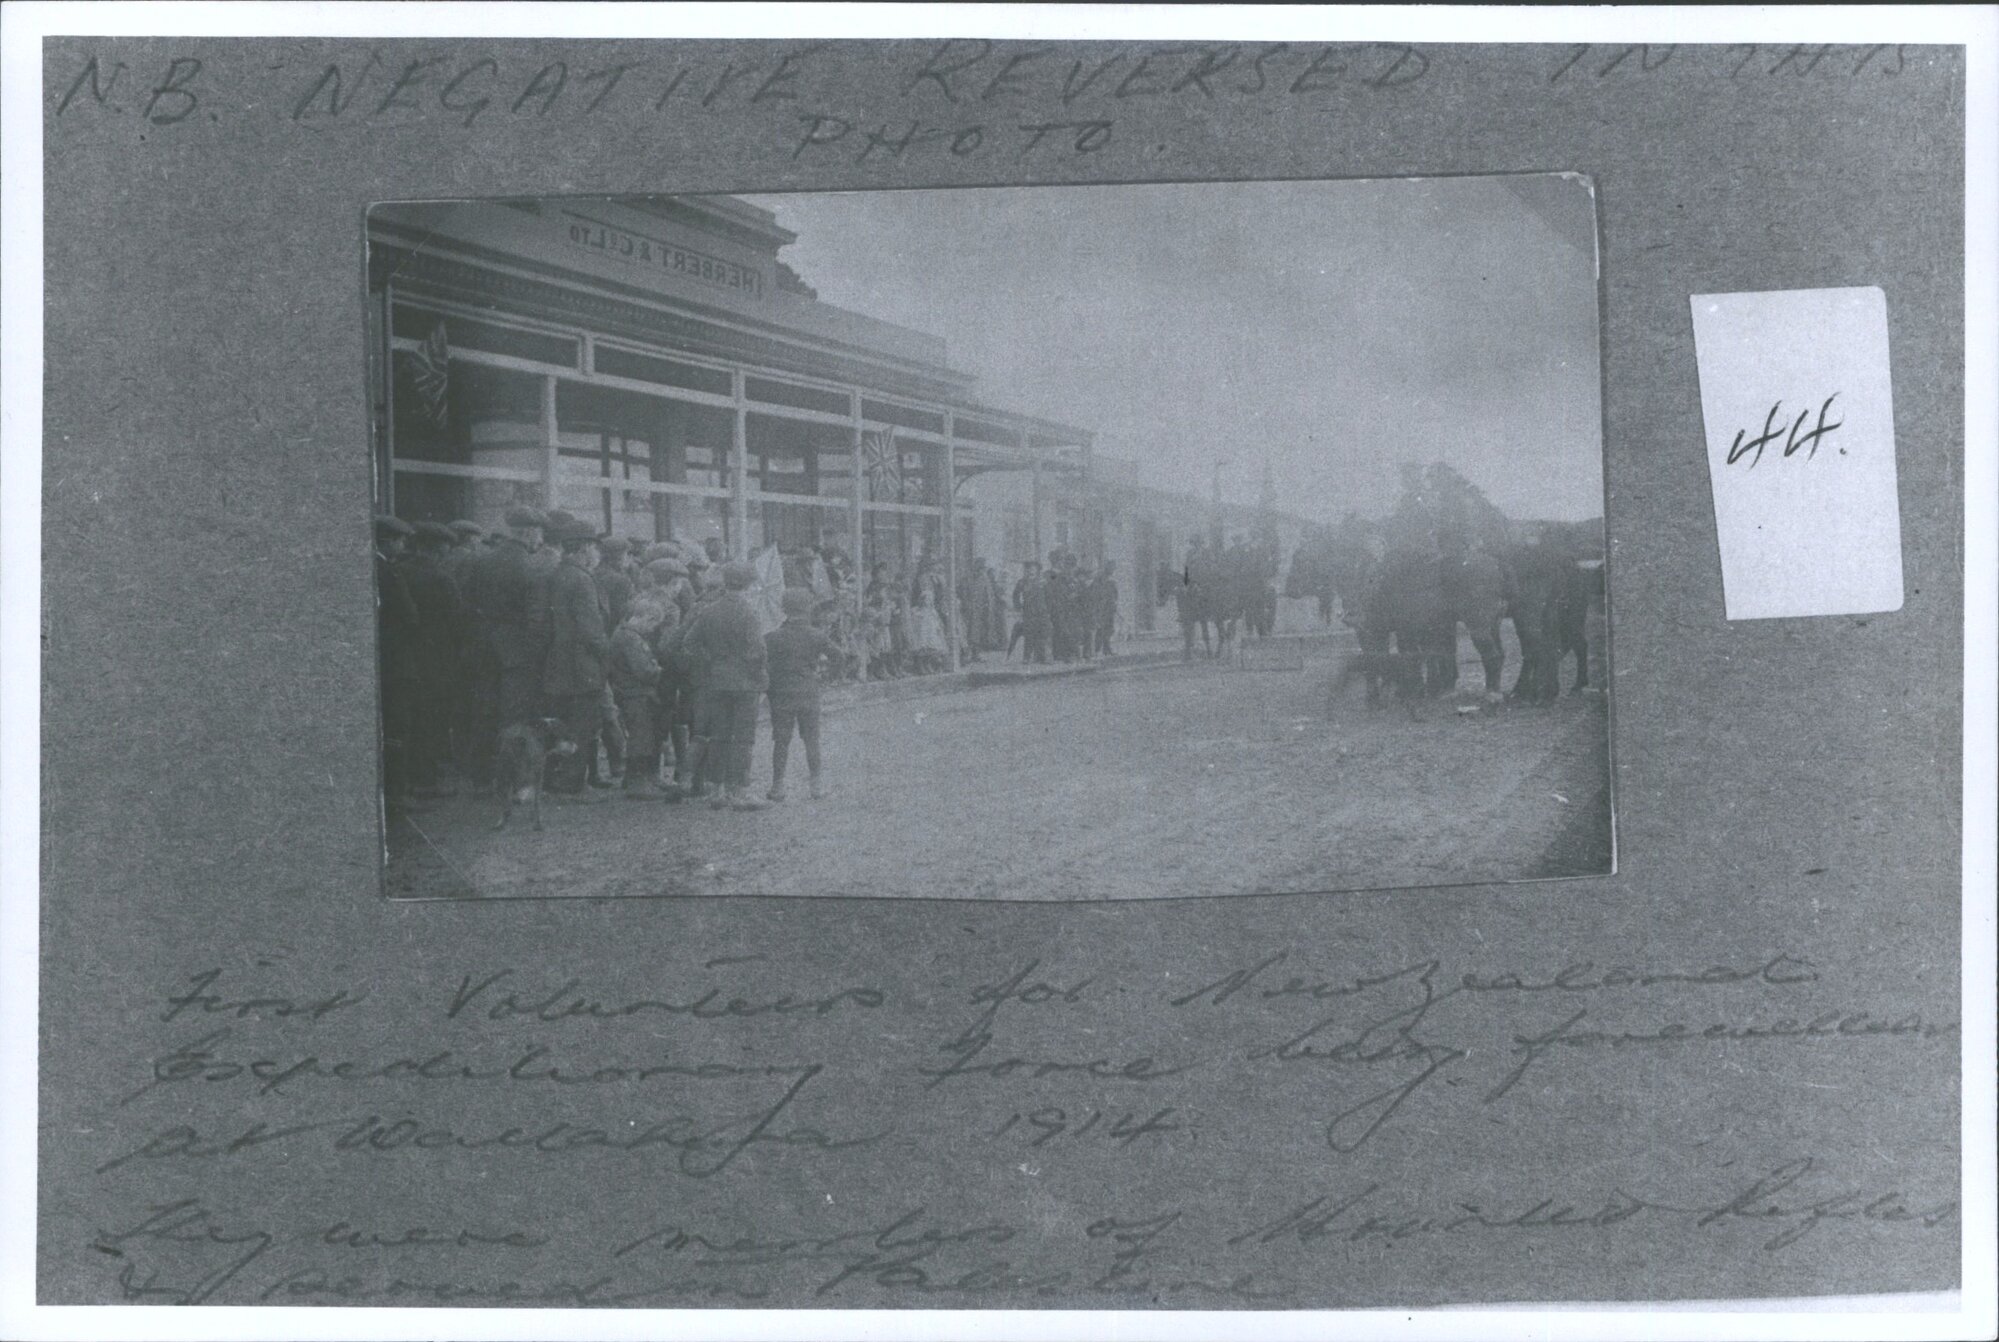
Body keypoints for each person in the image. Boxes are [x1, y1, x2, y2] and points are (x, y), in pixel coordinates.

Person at [681, 560, 770, 811]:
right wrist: (760, 678)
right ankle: (738, 791)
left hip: (716, 681)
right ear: (748, 585)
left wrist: (710, 662)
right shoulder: (749, 612)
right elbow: (757, 652)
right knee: (743, 738)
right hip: (744, 683)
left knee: (718, 736)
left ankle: (716, 790)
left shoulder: (709, 610)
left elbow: (688, 642)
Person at [538, 516, 610, 797]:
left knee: (560, 725)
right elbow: (591, 629)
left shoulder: (555, 574)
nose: (597, 554)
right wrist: (607, 655)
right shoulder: (581, 579)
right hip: (583, 666)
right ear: (583, 549)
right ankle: (572, 785)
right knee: (582, 727)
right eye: (595, 548)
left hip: (558, 663)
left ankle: (555, 782)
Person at [401, 521, 467, 797]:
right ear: (438, 550)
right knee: (435, 715)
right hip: (438, 656)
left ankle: (412, 775)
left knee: (411, 715)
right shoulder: (442, 579)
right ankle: (428, 780)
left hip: (407, 653)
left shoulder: (400, 571)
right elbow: (457, 620)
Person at [764, 588, 836, 801]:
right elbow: (839, 657)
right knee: (812, 739)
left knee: (781, 740)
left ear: (784, 609)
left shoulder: (772, 637)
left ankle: (778, 787)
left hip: (781, 693)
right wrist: (826, 678)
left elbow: (761, 663)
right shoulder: (817, 635)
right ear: (808, 608)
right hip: (808, 691)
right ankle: (816, 786)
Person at [374, 515, 420, 805]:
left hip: (382, 659)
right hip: (395, 660)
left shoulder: (377, 567)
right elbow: (409, 616)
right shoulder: (388, 572)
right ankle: (396, 792)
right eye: (400, 540)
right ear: (388, 541)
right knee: (396, 726)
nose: (403, 545)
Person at [608, 599, 669, 800]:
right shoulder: (631, 638)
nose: (652, 630)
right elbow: (643, 670)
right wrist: (658, 670)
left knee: (642, 734)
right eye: (652, 624)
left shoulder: (623, 634)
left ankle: (637, 778)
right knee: (641, 736)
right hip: (635, 693)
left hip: (629, 691)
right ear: (644, 617)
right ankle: (638, 782)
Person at [906, 585, 948, 673]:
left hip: (931, 633)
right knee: (922, 649)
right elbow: (915, 625)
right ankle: (921, 666)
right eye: (926, 599)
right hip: (922, 634)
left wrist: (939, 629)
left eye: (930, 599)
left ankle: (928, 664)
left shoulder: (932, 611)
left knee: (932, 650)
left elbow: (937, 622)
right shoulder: (917, 611)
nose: (928, 601)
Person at [1090, 560, 1118, 657]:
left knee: (1109, 628)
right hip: (1101, 607)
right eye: (1111, 567)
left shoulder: (1111, 579)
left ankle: (1107, 648)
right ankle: (1096, 650)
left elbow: (1114, 593)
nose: (1113, 570)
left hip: (1109, 608)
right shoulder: (1099, 577)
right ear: (1107, 566)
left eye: (1114, 568)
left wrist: (1114, 603)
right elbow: (1096, 593)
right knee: (1100, 628)